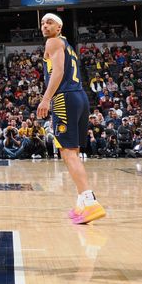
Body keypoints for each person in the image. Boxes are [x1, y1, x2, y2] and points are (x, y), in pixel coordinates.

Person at [37, 13, 105, 224]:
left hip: (64, 98)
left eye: (49, 22)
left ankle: (90, 200)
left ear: (59, 27)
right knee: (72, 152)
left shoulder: (53, 41)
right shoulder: (67, 45)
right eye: (42, 23)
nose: (44, 26)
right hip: (80, 96)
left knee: (67, 153)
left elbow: (58, 72)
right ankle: (81, 203)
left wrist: (46, 99)